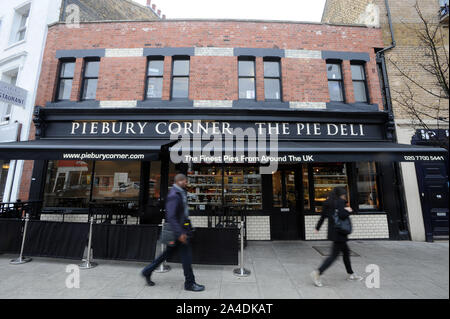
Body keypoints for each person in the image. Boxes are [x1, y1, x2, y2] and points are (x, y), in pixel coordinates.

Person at [141, 173, 205, 292]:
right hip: (178, 232)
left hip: (181, 230)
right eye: (185, 181)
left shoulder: (180, 193)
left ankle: (147, 271)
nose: (186, 183)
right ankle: (190, 283)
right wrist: (180, 233)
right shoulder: (174, 195)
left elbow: (182, 214)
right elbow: (171, 216)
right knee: (186, 257)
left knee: (166, 254)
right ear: (179, 181)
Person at [310, 187, 363, 287]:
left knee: (346, 253)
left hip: (333, 232)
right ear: (340, 194)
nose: (345, 196)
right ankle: (317, 273)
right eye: (344, 194)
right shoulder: (340, 202)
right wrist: (349, 210)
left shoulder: (327, 202)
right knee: (334, 256)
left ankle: (351, 273)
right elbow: (342, 215)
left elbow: (322, 216)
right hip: (340, 232)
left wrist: (317, 228)